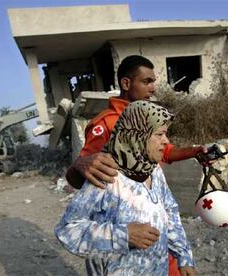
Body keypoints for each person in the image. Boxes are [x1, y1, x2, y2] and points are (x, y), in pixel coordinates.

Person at [65, 55, 207, 275]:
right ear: (126, 83)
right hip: (117, 254)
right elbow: (88, 175)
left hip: (153, 251)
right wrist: (79, 166)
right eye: (146, 81)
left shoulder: (150, 137)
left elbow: (169, 207)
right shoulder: (106, 125)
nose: (152, 87)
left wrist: (196, 151)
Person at [55, 101, 196, 276]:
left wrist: (184, 257)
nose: (166, 141)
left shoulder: (154, 171)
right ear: (138, 135)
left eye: (165, 134)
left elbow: (170, 213)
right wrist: (124, 235)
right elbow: (67, 229)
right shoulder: (107, 174)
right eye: (160, 134)